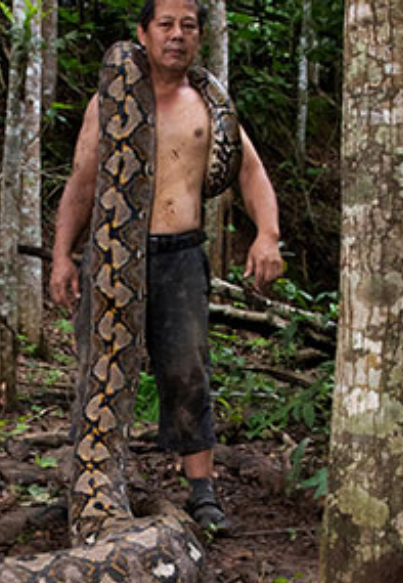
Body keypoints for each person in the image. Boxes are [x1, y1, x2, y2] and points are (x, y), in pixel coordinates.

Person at [49, 0, 283, 532]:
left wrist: (267, 234)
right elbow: (83, 182)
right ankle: (90, 488)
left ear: (199, 36)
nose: (177, 35)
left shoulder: (207, 105)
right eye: (165, 25)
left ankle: (202, 491)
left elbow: (251, 174)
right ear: (143, 33)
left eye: (188, 26)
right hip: (111, 257)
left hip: (178, 256)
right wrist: (63, 253)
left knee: (187, 372)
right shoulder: (108, 103)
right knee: (98, 370)